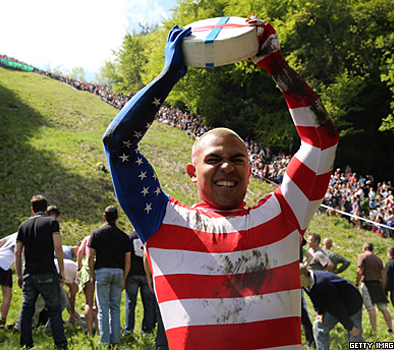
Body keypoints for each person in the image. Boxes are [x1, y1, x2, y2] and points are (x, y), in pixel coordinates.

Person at [103, 14, 339, 349]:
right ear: (192, 170)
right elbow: (118, 144)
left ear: (250, 168)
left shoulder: (285, 214)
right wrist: (169, 76)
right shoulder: (162, 220)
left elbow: (322, 141)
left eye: (238, 159)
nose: (227, 166)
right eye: (213, 159)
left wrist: (276, 65)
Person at [14, 195, 68, 350]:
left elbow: (17, 252)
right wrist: (61, 271)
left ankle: (26, 343)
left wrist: (19, 275)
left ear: (32, 209)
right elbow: (58, 247)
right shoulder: (52, 222)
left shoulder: (23, 226)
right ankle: (60, 344)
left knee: (27, 308)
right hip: (47, 272)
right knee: (54, 309)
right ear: (46, 209)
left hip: (29, 273)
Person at [88, 205, 131, 346]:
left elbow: (90, 257)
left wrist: (92, 273)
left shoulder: (97, 233)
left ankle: (104, 341)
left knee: (103, 308)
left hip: (102, 271)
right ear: (117, 218)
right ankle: (116, 339)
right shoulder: (124, 237)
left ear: (104, 216)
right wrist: (124, 278)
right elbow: (128, 261)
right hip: (118, 272)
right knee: (115, 308)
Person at [300, 267, 364, 350]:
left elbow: (337, 307)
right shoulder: (306, 283)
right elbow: (314, 297)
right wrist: (320, 312)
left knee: (355, 336)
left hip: (352, 304)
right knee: (319, 326)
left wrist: (349, 327)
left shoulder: (322, 282)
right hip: (334, 306)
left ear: (302, 276)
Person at [355, 241, 393, 333]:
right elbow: (383, 276)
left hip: (367, 283)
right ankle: (390, 328)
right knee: (384, 308)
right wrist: (383, 287)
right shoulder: (378, 259)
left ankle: (374, 329)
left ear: (364, 248)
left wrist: (356, 283)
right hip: (378, 284)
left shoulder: (362, 256)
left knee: (370, 308)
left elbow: (360, 271)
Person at [123, 230, 155, 336]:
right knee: (148, 304)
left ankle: (129, 330)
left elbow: (126, 259)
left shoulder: (129, 237)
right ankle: (147, 330)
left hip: (132, 274)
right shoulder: (147, 235)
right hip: (146, 275)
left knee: (130, 303)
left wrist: (124, 276)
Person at [143, 248, 168, 350]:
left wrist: (149, 278)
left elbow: (145, 255)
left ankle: (162, 345)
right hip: (175, 276)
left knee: (161, 313)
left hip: (160, 277)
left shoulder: (153, 233)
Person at [77, 234, 98, 336]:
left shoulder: (87, 238)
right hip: (99, 268)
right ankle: (99, 331)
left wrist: (79, 268)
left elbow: (80, 252)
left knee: (88, 303)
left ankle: (89, 331)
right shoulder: (101, 237)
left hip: (87, 270)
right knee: (99, 305)